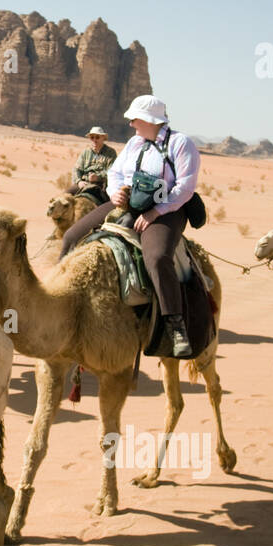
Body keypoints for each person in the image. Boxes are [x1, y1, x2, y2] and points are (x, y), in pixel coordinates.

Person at [60, 95, 200, 358]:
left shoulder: (181, 144)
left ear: (149, 120)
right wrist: (115, 194)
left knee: (157, 258)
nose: (131, 123)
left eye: (135, 118)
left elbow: (185, 187)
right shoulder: (135, 143)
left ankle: (175, 324)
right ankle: (61, 303)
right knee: (71, 236)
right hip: (128, 203)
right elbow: (115, 173)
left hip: (167, 209)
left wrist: (156, 212)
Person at [66, 126, 117, 203]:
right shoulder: (86, 152)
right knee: (65, 196)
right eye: (92, 137)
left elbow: (112, 172)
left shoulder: (111, 153)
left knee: (109, 204)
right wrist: (79, 181)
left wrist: (98, 177)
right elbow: (77, 169)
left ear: (103, 138)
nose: (94, 140)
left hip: (101, 185)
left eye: (97, 137)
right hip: (84, 182)